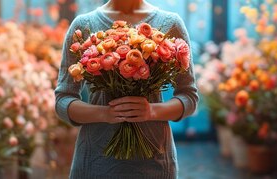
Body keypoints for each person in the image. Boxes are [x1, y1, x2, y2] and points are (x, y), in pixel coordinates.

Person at [54, 0, 198, 178]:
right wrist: (105, 114)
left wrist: (151, 111)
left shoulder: (170, 24)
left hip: (154, 162)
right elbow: (63, 101)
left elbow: (189, 97)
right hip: (95, 162)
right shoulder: (83, 25)